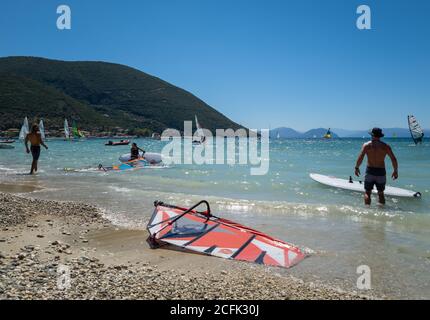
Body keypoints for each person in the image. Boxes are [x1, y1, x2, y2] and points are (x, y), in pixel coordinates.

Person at [354, 128, 398, 205]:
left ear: (372, 135)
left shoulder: (366, 145)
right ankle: (381, 212)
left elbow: (360, 157)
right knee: (381, 193)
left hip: (370, 170)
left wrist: (357, 167)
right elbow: (393, 159)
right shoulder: (385, 146)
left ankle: (367, 210)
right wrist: (395, 171)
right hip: (381, 171)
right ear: (380, 136)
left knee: (367, 192)